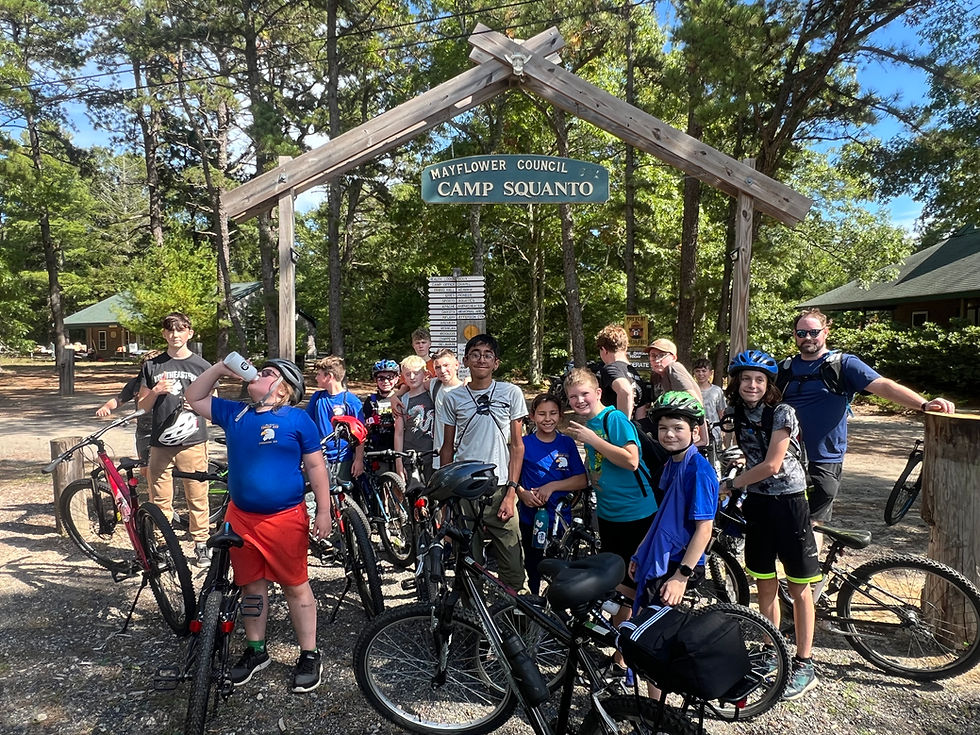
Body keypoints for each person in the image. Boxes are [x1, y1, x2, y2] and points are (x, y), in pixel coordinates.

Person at [184, 357, 332, 694]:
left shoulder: (296, 418)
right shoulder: (235, 413)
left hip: (284, 518)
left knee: (296, 585)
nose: (258, 374)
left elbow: (316, 466)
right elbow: (193, 397)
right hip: (241, 519)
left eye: (269, 374)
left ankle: (309, 653)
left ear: (283, 391)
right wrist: (221, 368)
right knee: (251, 585)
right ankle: (256, 650)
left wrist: (323, 510)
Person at [778, 308, 955, 524]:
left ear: (826, 332)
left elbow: (884, 386)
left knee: (813, 523)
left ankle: (809, 559)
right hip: (783, 458)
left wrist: (924, 404)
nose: (808, 338)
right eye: (801, 333)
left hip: (824, 459)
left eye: (814, 332)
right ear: (795, 335)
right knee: (782, 521)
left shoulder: (843, 364)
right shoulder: (784, 369)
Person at [722, 349, 820, 701]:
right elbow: (742, 452)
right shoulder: (734, 412)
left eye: (759, 380)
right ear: (737, 382)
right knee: (764, 582)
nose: (752, 385)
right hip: (759, 503)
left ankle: (805, 663)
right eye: (746, 379)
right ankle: (769, 650)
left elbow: (773, 464)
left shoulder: (783, 412)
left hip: (790, 501)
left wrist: (733, 484)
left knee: (798, 588)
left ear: (769, 385)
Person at [563, 367, 658, 674]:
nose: (579, 400)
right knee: (620, 588)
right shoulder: (589, 424)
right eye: (573, 397)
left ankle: (629, 660)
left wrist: (593, 439)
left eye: (585, 394)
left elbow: (631, 460)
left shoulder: (612, 419)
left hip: (637, 515)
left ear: (599, 393)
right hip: (609, 515)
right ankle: (623, 652)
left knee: (634, 587)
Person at [438, 334, 528, 592]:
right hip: (465, 489)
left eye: (488, 354)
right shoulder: (453, 398)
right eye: (475, 354)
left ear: (496, 362)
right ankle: (472, 625)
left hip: (500, 489)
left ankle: (515, 623)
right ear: (465, 360)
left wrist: (511, 493)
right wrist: (445, 500)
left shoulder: (511, 393)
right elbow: (447, 448)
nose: (481, 359)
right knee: (469, 564)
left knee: (512, 567)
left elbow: (517, 445)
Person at [136, 313, 212, 567]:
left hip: (192, 440)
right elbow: (142, 406)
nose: (175, 335)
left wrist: (199, 407)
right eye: (170, 330)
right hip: (160, 443)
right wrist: (156, 391)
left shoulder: (203, 366)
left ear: (189, 333)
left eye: (180, 330)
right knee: (159, 497)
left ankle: (201, 543)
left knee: (197, 494)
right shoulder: (152, 365)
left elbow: (213, 404)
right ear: (163, 334)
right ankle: (163, 544)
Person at [629, 391, 715, 609]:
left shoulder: (697, 471)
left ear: (695, 432)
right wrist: (641, 550)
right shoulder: (672, 464)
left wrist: (681, 577)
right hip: (667, 554)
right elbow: (662, 517)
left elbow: (704, 529)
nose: (669, 434)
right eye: (663, 428)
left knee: (653, 630)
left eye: (678, 428)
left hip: (680, 562)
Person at [517, 393, 587, 595]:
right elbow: (514, 478)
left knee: (558, 568)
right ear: (532, 416)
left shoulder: (567, 444)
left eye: (553, 413)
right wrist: (522, 494)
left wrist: (552, 486)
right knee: (533, 564)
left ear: (561, 415)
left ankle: (555, 608)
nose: (547, 419)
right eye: (541, 414)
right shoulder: (524, 444)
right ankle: (532, 603)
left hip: (559, 521)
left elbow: (581, 480)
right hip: (531, 519)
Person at [95, 349, 162, 469]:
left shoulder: (165, 382)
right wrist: (106, 407)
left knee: (162, 468)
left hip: (163, 429)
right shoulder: (136, 383)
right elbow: (119, 400)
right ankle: (150, 487)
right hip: (144, 431)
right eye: (144, 367)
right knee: (145, 468)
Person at [306, 355, 365, 482]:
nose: (316, 378)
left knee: (342, 496)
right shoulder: (317, 398)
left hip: (343, 458)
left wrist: (358, 460)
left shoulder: (351, 401)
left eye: (319, 374)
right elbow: (307, 425)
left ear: (329, 377)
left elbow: (361, 434)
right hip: (319, 457)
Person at [392, 354, 435, 481]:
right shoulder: (402, 400)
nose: (412, 377)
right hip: (410, 456)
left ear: (425, 374)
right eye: (408, 374)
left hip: (433, 454)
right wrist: (398, 463)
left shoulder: (433, 394)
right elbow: (398, 433)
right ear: (402, 377)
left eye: (416, 373)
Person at [429, 348, 464, 472]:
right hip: (439, 456)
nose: (442, 371)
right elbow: (413, 385)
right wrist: (396, 396)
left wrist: (469, 379)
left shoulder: (466, 389)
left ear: (456, 365)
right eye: (438, 367)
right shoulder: (434, 385)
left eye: (446, 365)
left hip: (462, 456)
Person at [595, 324, 637, 418]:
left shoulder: (610, 369)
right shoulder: (633, 373)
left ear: (604, 350)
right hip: (635, 430)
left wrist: (623, 424)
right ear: (625, 347)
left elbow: (625, 391)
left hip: (614, 429)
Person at [362, 359, 399, 457]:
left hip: (398, 448)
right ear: (376, 380)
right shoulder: (371, 400)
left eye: (390, 377)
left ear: (396, 379)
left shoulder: (401, 398)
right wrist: (369, 424)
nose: (386, 381)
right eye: (381, 378)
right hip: (376, 449)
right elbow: (363, 427)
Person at [692, 357, 727, 450]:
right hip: (696, 432)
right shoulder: (690, 391)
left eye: (704, 371)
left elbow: (721, 412)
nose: (700, 374)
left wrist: (723, 430)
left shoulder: (717, 391)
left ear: (710, 373)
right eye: (697, 371)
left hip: (714, 431)